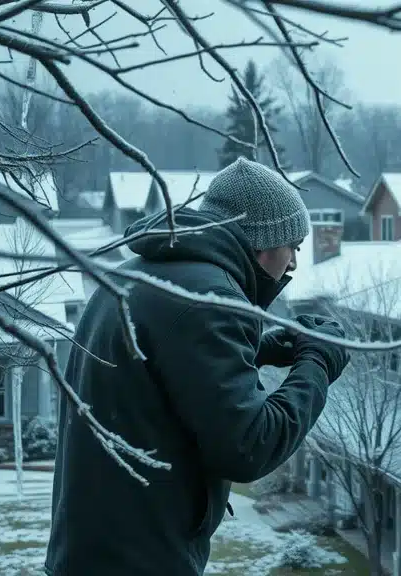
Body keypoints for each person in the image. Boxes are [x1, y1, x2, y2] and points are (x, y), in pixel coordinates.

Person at [44, 158, 350, 576]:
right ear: (263, 242)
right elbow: (250, 447)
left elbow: (165, 376)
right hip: (140, 562)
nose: (294, 263)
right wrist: (317, 362)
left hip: (94, 551)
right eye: (293, 246)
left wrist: (260, 349)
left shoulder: (143, 275)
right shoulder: (209, 302)